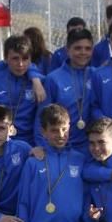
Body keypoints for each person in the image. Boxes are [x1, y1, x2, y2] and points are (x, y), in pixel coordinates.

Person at [37, 27, 96, 155]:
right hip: (61, 147)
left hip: (91, 147)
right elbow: (42, 116)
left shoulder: (96, 75)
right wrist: (41, 146)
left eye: (87, 48)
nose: (83, 52)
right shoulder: (54, 78)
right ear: (67, 50)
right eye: (78, 48)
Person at [0, 35, 39, 145]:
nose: (20, 64)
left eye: (25, 59)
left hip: (30, 142)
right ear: (6, 58)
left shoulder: (37, 83)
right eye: (15, 58)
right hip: (0, 141)